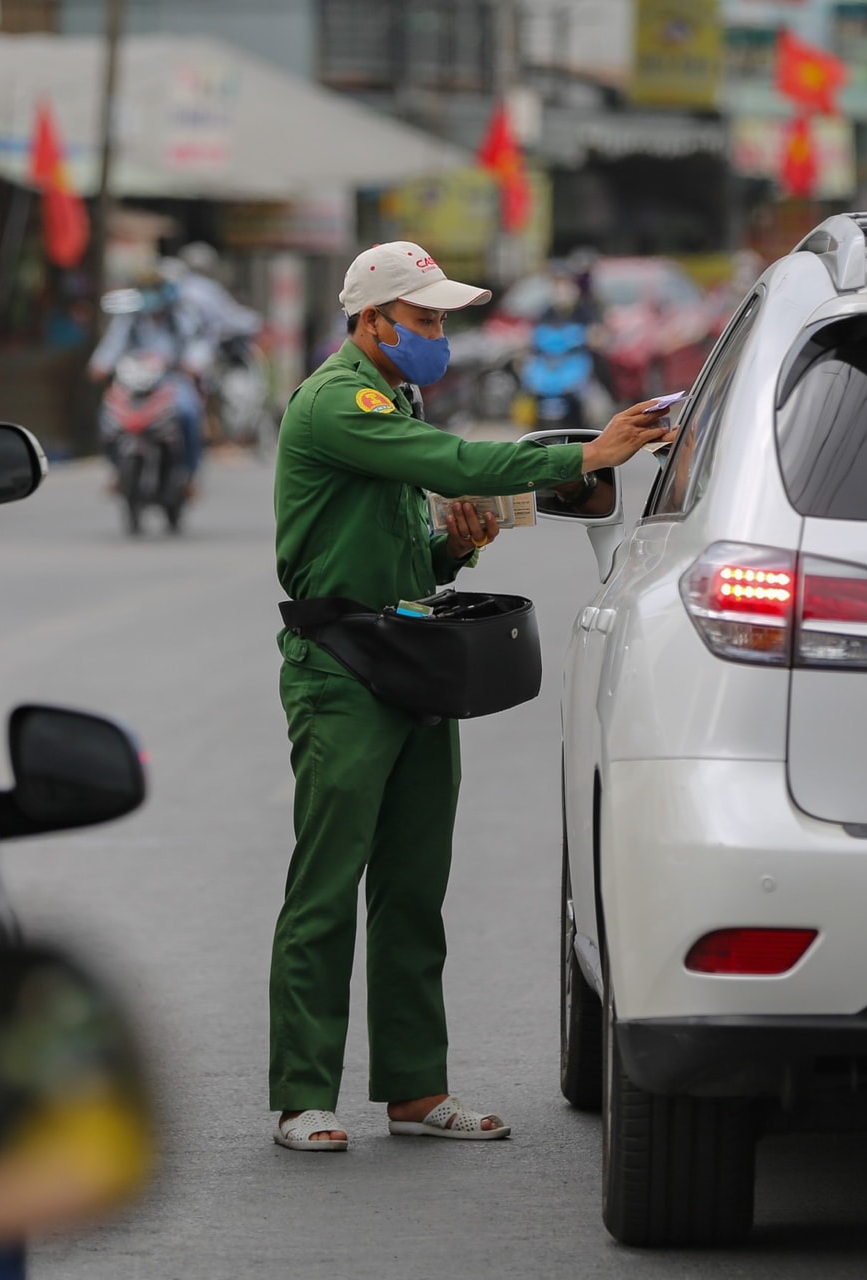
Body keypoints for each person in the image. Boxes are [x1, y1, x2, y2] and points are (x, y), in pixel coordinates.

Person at [269, 241, 675, 1151]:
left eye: (441, 320)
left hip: (409, 654)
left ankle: (415, 1092)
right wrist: (584, 454)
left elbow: (418, 541)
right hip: (341, 668)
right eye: (423, 320)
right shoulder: (341, 400)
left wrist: (462, 544)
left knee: (415, 888)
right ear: (371, 322)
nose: (437, 335)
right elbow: (451, 461)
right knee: (327, 889)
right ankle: (303, 1096)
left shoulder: (395, 396)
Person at [89, 269, 206, 481]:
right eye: (144, 290)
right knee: (107, 417)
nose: (148, 295)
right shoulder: (129, 318)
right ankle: (117, 471)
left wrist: (193, 364)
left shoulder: (180, 317)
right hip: (134, 384)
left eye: (153, 289)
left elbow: (197, 345)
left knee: (188, 412)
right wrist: (99, 365)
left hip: (172, 383)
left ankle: (189, 474)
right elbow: (112, 346)